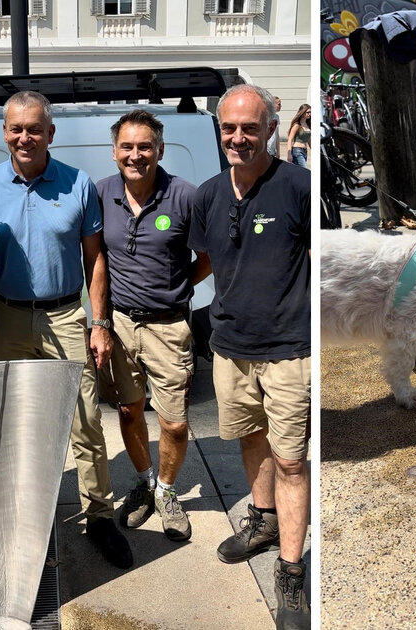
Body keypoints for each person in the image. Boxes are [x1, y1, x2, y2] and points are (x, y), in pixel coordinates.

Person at [0, 91, 133, 569]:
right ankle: (21, 518)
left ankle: (100, 515)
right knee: (11, 421)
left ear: (50, 134)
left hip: (66, 316)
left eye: (34, 129)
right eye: (16, 128)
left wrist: (99, 322)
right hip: (6, 316)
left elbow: (95, 259)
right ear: (4, 132)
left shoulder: (77, 183)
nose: (25, 137)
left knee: (84, 419)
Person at [188, 84, 311, 630]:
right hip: (230, 348)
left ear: (270, 129)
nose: (238, 138)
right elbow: (208, 260)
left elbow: (319, 264)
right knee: (251, 441)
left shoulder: (298, 187)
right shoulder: (208, 194)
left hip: (288, 350)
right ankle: (261, 522)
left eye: (249, 128)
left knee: (290, 460)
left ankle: (290, 573)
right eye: (229, 128)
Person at [96, 109, 210, 542]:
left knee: (174, 423)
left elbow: (208, 257)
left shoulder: (184, 195)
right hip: (120, 324)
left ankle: (166, 490)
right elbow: (98, 261)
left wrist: (177, 286)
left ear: (159, 150)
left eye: (145, 146)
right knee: (127, 410)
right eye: (127, 146)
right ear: (114, 152)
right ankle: (145, 484)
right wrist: (101, 321)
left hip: (169, 327)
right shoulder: (102, 193)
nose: (136, 154)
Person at [266, 94, 282, 159]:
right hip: (266, 148)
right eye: (279, 104)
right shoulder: (266, 116)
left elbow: (277, 134)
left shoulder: (277, 117)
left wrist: (278, 150)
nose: (281, 106)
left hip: (272, 150)